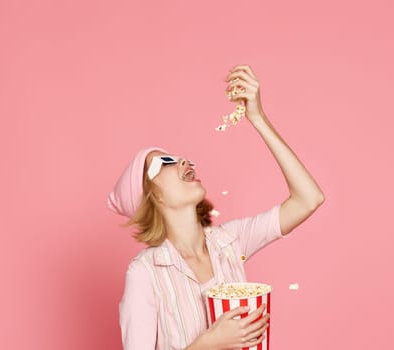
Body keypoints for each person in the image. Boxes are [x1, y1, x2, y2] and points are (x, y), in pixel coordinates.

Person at [107, 65, 325, 350]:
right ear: (153, 197)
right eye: (164, 163)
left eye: (178, 157)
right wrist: (210, 344)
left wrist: (257, 118)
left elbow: (309, 199)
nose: (183, 161)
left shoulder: (230, 243)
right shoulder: (145, 274)